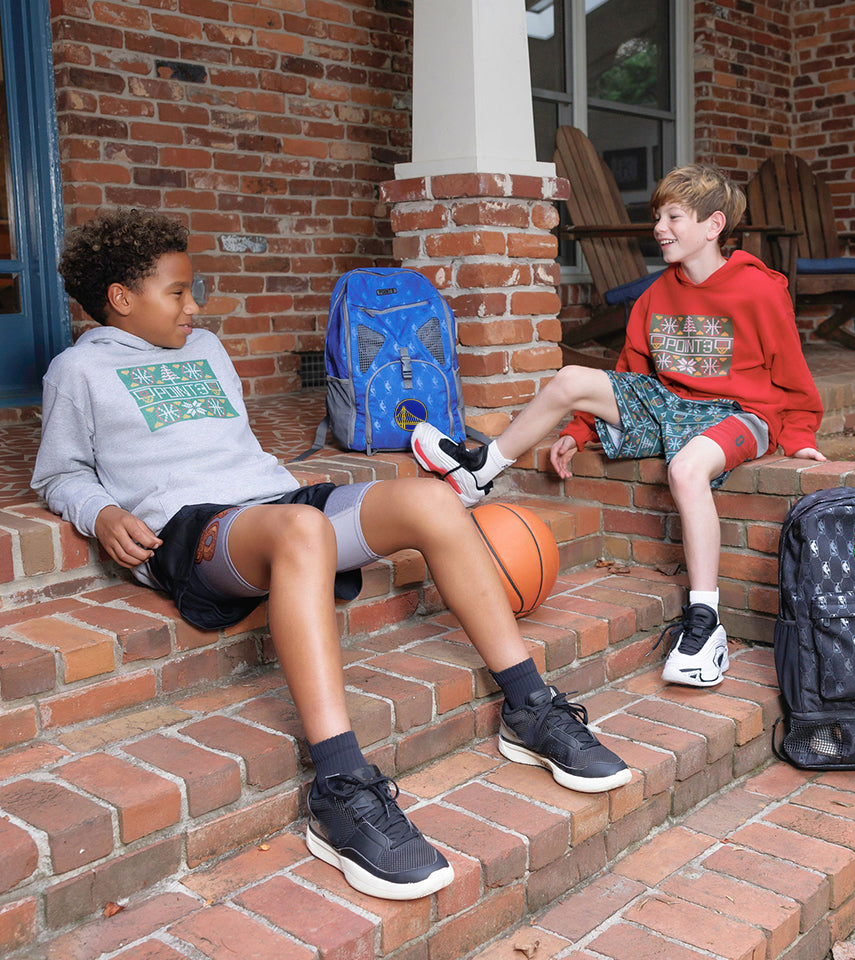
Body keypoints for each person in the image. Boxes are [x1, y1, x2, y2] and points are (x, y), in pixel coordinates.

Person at [31, 209, 631, 903]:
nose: (196, 305)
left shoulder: (207, 349)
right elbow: (58, 473)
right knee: (302, 532)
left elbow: (233, 451)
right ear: (120, 298)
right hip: (192, 527)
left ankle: (531, 706)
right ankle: (340, 785)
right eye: (179, 292)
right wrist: (100, 512)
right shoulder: (78, 370)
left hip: (273, 505)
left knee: (433, 501)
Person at [412, 164, 826, 689]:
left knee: (686, 468)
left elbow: (793, 375)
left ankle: (705, 620)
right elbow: (630, 371)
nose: (660, 227)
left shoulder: (759, 291)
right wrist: (579, 430)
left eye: (674, 216)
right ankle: (480, 470)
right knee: (569, 377)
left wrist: (800, 439)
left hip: (739, 412)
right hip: (669, 401)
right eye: (657, 216)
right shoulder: (656, 294)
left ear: (713, 224)